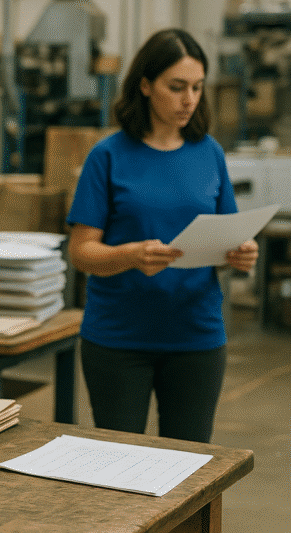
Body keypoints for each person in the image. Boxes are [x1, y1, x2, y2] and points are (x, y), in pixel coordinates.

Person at [67, 28, 258, 443]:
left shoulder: (210, 153)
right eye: (177, 87)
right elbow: (81, 252)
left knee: (188, 471)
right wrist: (130, 255)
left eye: (197, 87)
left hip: (196, 338)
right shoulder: (108, 156)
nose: (189, 99)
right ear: (145, 85)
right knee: (119, 474)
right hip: (119, 341)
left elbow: (229, 235)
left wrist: (240, 254)